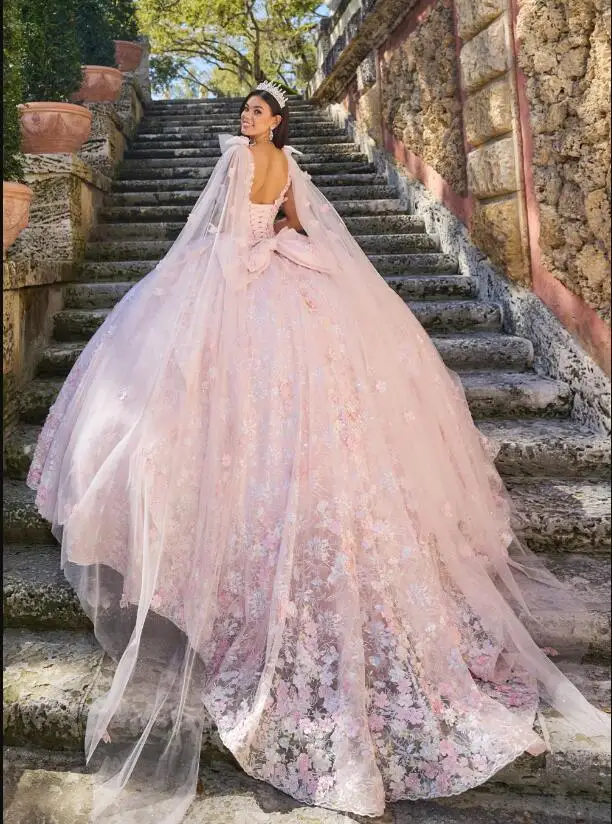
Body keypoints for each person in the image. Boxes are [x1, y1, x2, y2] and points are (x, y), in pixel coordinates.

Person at [27, 81, 609, 823]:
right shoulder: (284, 164)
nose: (248, 121)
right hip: (265, 278)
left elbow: (212, 231)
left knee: (229, 408)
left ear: (278, 121)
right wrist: (274, 247)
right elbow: (296, 226)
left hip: (239, 285)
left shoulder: (243, 162)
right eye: (246, 113)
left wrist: (243, 254)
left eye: (258, 113)